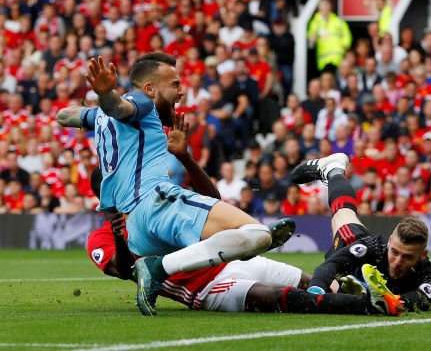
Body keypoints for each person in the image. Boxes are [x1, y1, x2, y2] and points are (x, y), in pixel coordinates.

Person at [56, 53, 289, 316]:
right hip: (155, 203)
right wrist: (106, 95)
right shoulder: (141, 101)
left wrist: (98, 106)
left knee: (241, 239)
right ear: (150, 89)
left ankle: (172, 262)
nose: (181, 92)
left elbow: (65, 115)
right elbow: (120, 108)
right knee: (258, 235)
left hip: (138, 229)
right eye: (175, 84)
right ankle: (161, 268)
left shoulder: (104, 117)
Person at [86, 122, 398, 316]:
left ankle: (371, 294)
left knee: (311, 284)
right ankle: (368, 306)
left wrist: (185, 158)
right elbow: (125, 270)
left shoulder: (154, 203)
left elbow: (213, 203)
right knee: (277, 297)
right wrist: (118, 236)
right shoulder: (99, 239)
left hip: (229, 256)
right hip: (203, 288)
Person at [290, 153, 431, 314]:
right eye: (395, 252)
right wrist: (316, 291)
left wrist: (386, 301)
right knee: (344, 214)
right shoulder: (375, 246)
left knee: (337, 289)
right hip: (354, 250)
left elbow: (413, 301)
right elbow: (330, 266)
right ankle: (334, 169)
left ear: (422, 255)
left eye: (407, 257)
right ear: (390, 242)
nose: (398, 261)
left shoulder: (430, 278)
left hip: (358, 282)